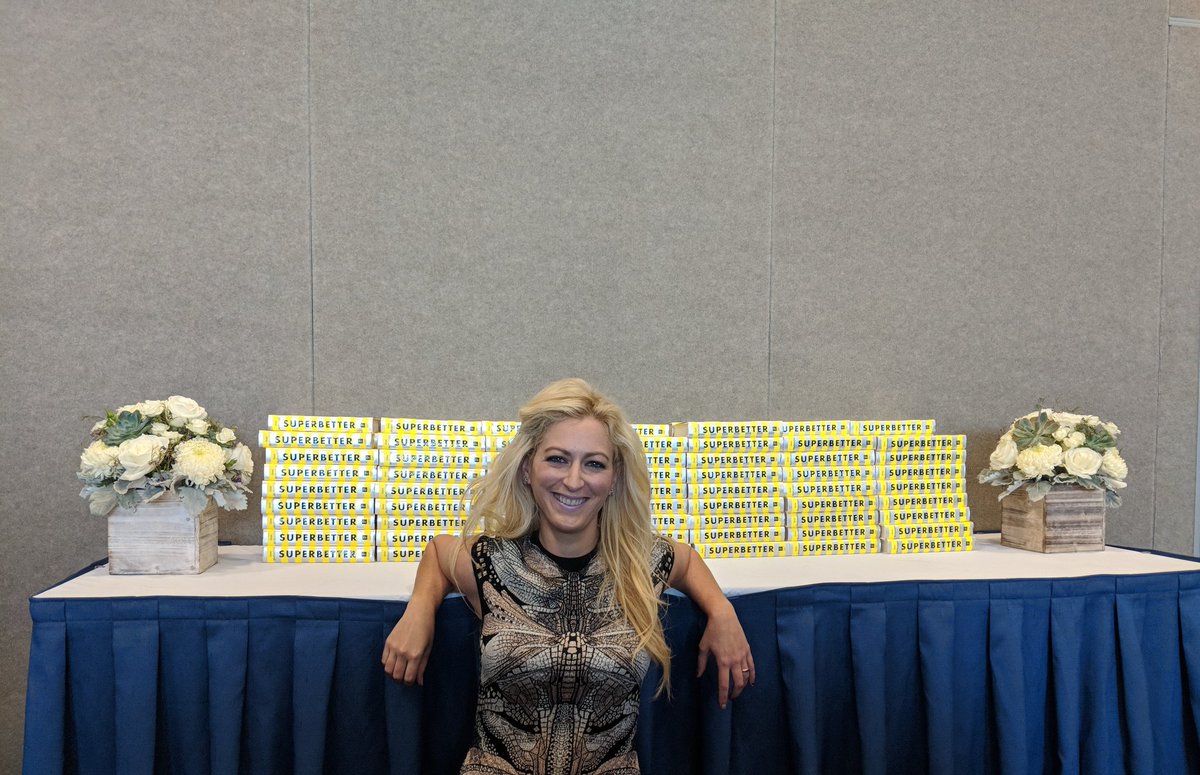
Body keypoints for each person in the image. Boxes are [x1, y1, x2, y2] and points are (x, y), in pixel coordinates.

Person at [381, 378, 755, 775]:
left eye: (594, 464)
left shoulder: (640, 564)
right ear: (528, 469)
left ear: (614, 479)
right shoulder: (493, 562)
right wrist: (420, 607)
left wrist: (722, 611)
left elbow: (687, 560)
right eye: (558, 459)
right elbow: (439, 552)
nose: (574, 481)